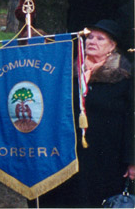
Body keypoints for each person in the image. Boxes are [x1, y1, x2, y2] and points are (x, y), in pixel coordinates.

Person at [36, 19, 134, 208]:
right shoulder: (68, 71)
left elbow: (132, 120)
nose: (92, 42)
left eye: (100, 38)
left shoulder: (124, 77)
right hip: (69, 154)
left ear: (112, 46)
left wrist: (131, 160)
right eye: (89, 37)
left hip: (107, 157)